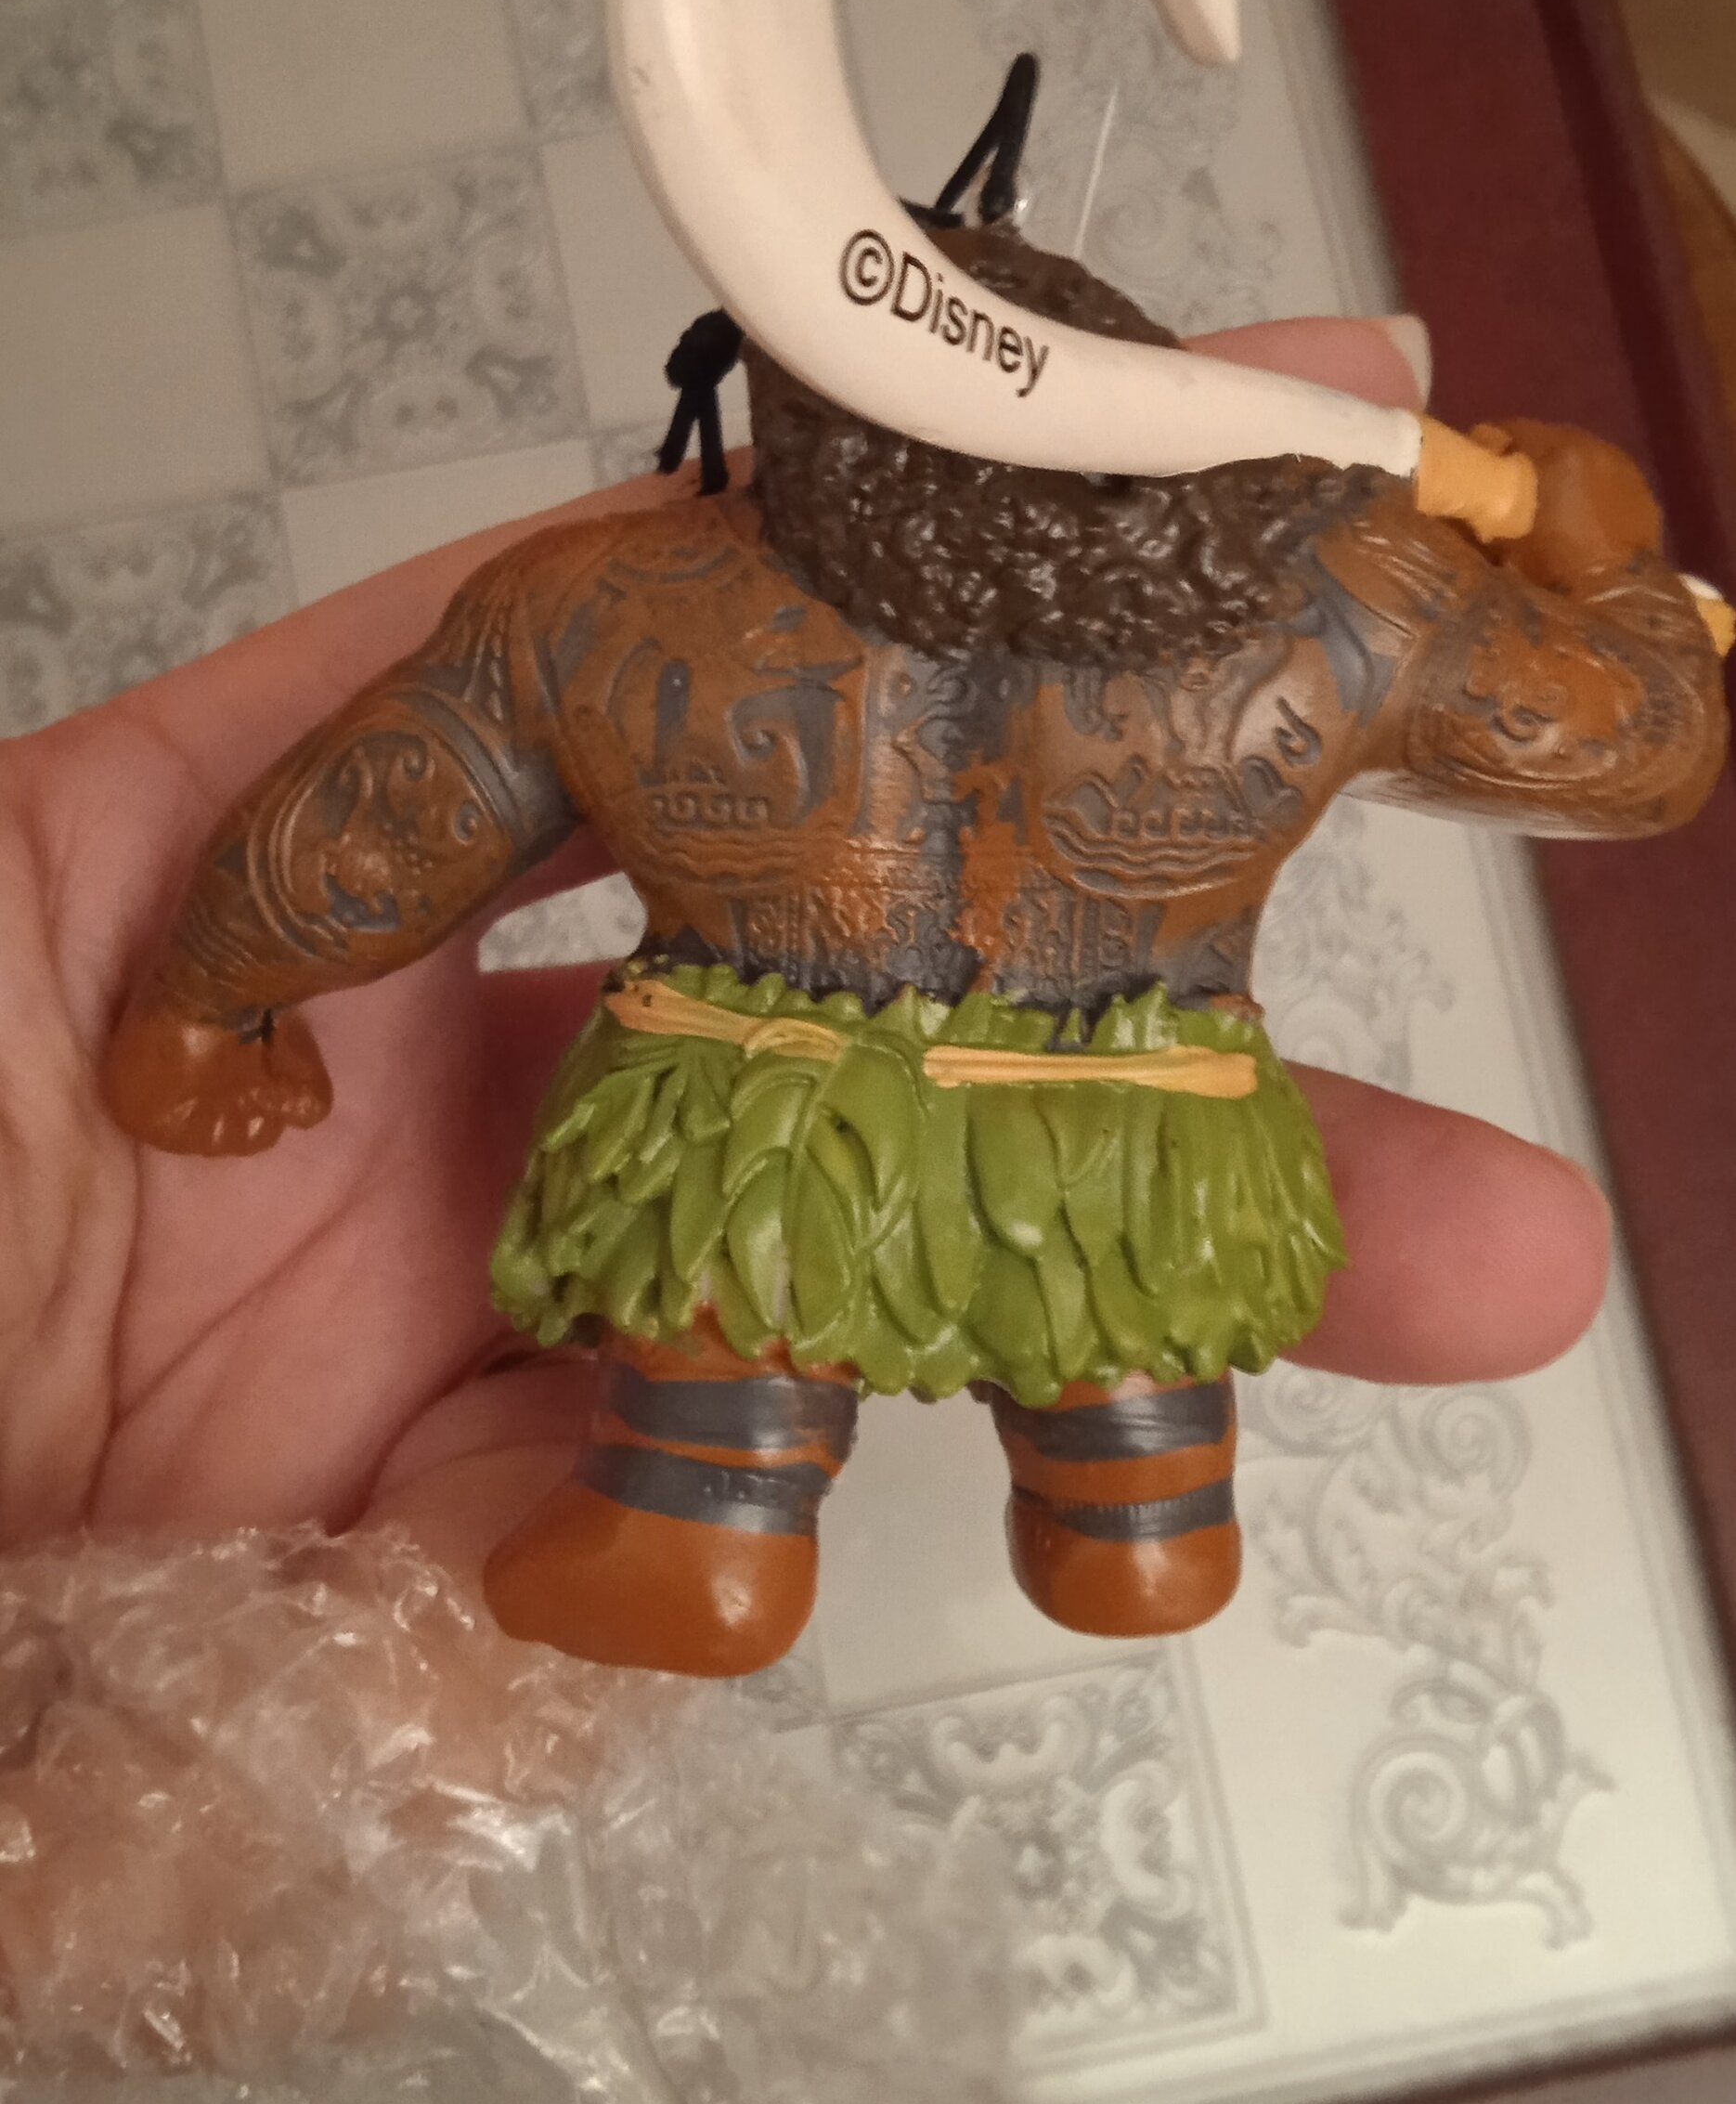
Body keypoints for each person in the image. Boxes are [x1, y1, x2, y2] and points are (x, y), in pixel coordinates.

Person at [3, 304, 1631, 1683]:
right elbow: (1623, 740)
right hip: (1131, 1132)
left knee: (731, 1284)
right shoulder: (1340, 598)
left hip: (759, 1118)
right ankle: (1137, 1519)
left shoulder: (617, 595)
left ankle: (690, 1528)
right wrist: (1600, 554)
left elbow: (393, 814)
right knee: (1118, 1305)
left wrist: (205, 1004)